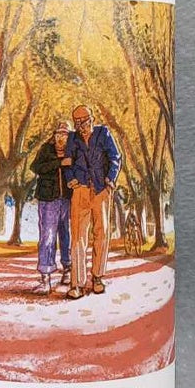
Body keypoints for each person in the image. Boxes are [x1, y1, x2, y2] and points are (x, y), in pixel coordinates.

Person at [63, 105, 122, 298]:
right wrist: (71, 178)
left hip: (101, 189)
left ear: (92, 119)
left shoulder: (103, 133)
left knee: (101, 233)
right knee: (78, 237)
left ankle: (97, 277)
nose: (82, 126)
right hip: (80, 189)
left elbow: (115, 158)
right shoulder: (72, 138)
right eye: (78, 123)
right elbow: (67, 162)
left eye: (85, 121)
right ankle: (77, 284)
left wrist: (110, 179)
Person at [29, 119, 73, 295]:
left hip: (68, 198)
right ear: (54, 135)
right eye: (59, 134)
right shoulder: (46, 149)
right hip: (48, 199)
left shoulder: (73, 151)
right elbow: (35, 167)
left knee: (66, 234)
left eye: (65, 134)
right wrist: (59, 163)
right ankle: (45, 277)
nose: (61, 137)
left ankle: (67, 269)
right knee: (47, 236)